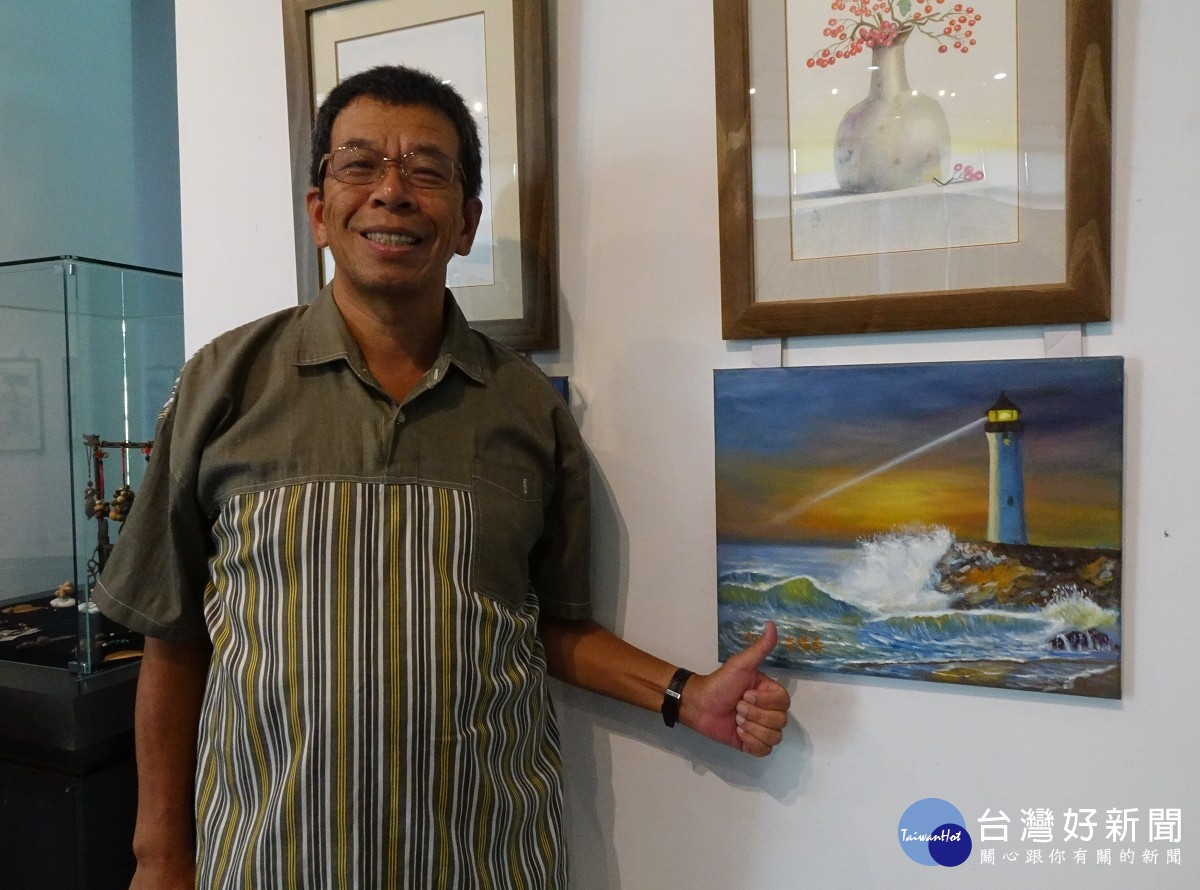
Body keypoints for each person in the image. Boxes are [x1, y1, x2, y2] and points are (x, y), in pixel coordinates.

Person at [94, 64, 790, 889]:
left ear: (465, 222)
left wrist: (687, 694)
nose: (392, 191)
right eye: (360, 164)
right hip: (270, 858)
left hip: (483, 858)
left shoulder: (524, 407)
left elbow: (550, 628)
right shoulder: (224, 382)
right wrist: (159, 856)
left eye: (426, 170)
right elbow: (171, 633)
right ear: (319, 211)